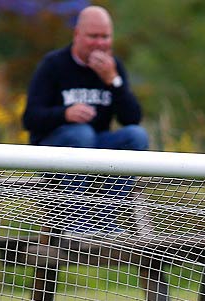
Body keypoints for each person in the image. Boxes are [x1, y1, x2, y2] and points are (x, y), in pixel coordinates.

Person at [22, 7, 148, 234]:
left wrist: (113, 81)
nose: (100, 43)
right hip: (55, 151)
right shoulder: (53, 65)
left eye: (105, 37)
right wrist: (65, 114)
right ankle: (75, 221)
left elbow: (132, 118)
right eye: (93, 36)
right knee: (81, 133)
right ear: (77, 34)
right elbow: (30, 118)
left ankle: (105, 219)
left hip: (95, 147)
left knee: (136, 136)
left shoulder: (113, 67)